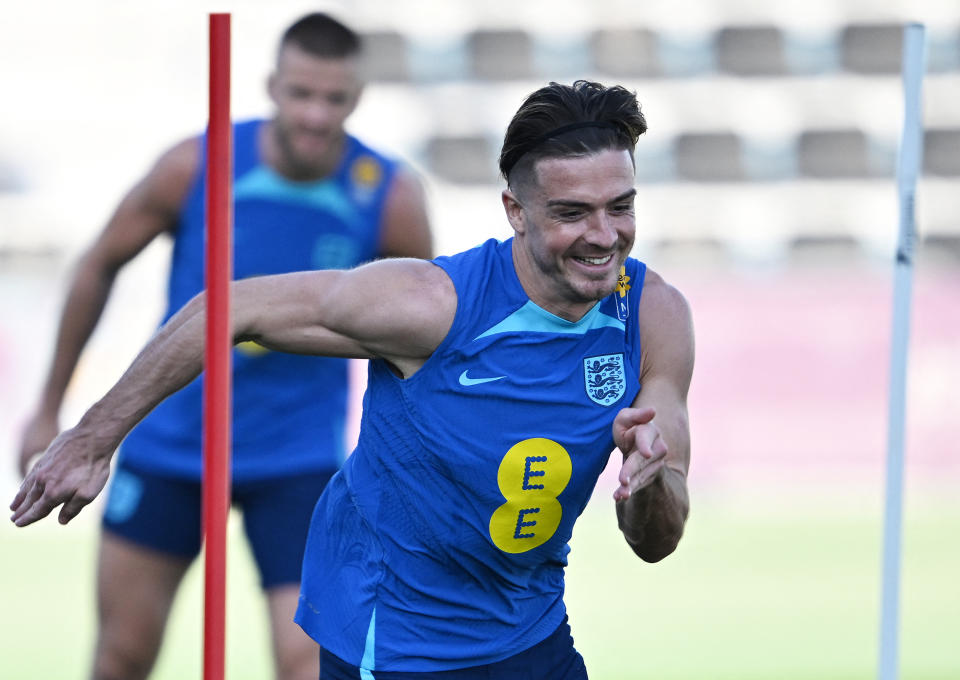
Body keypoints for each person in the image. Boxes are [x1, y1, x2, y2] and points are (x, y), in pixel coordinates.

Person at [12, 79, 693, 679]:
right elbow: (229, 307)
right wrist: (94, 436)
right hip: (397, 650)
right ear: (516, 212)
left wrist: (648, 485)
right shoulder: (431, 307)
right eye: (572, 213)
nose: (604, 236)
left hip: (534, 639)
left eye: (620, 206)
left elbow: (656, 541)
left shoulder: (652, 316)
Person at [15, 13, 432, 680]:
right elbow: (99, 263)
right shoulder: (196, 164)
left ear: (357, 98)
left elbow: (421, 335)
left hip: (298, 457)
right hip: (171, 443)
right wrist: (48, 405)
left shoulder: (388, 194)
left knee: (309, 663)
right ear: (272, 86)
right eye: (301, 93)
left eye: (335, 99)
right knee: (121, 655)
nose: (317, 115)